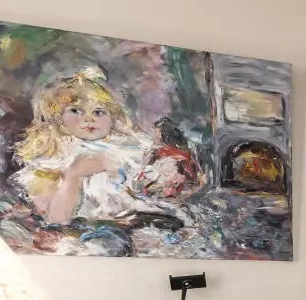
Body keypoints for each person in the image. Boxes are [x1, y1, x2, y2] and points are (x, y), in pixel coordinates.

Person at [12, 68, 198, 228]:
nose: (89, 118)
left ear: (113, 118)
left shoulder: (125, 150)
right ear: (57, 119)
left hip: (134, 219)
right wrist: (73, 175)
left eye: (98, 112)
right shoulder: (53, 161)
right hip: (84, 229)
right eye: (76, 110)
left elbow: (147, 185)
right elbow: (56, 219)